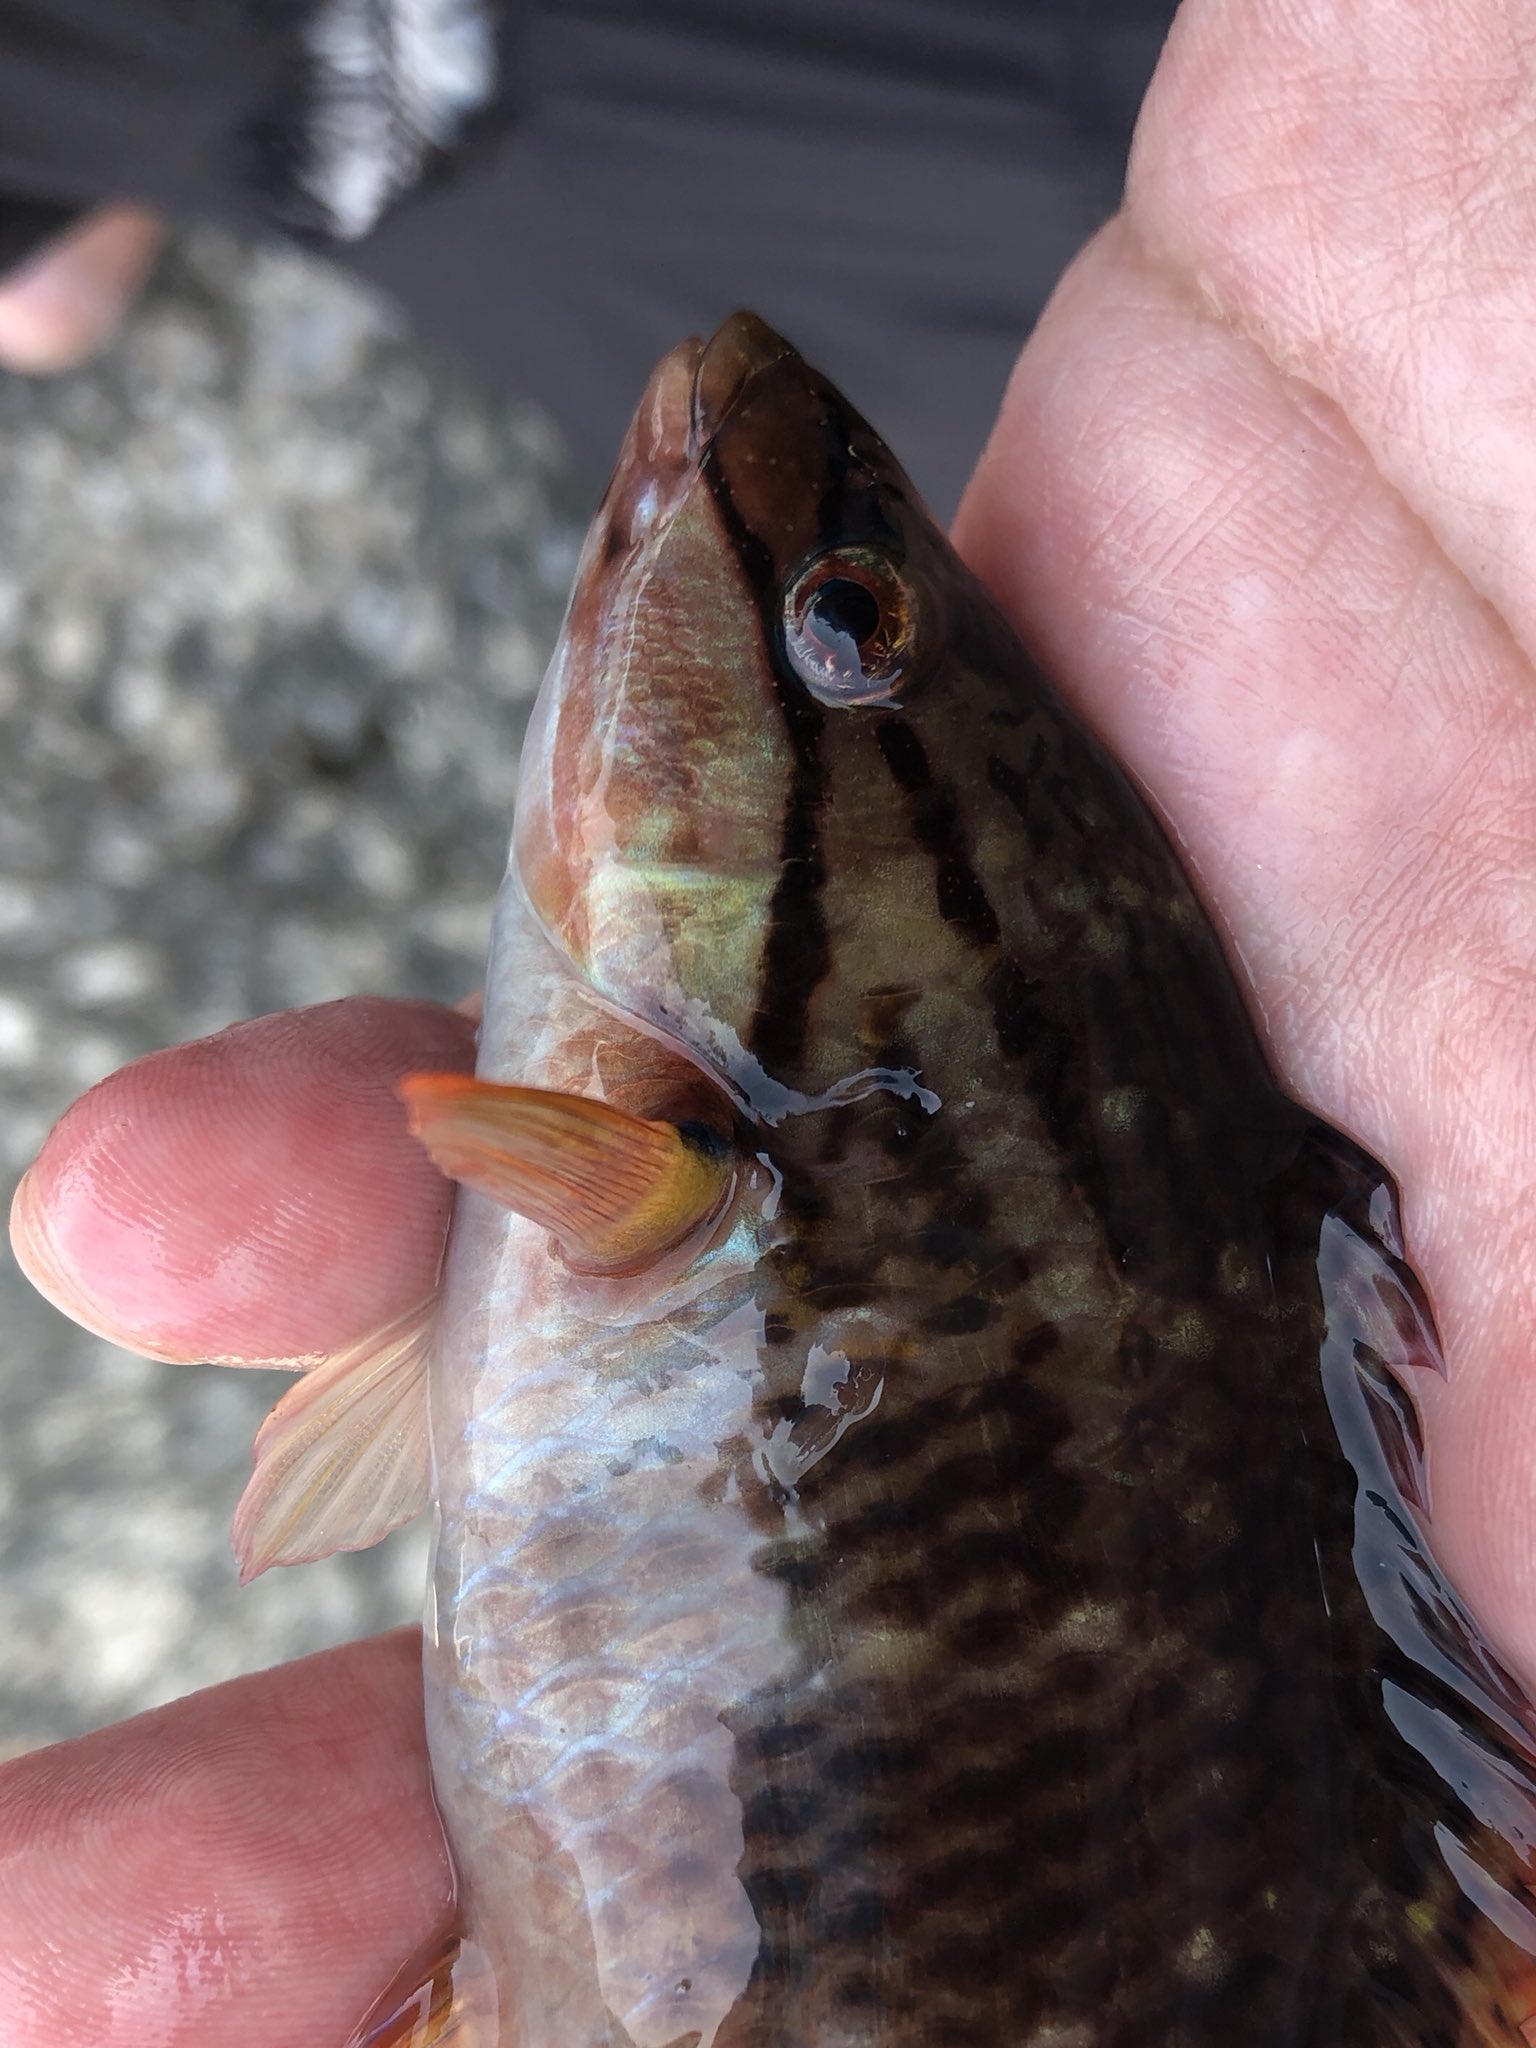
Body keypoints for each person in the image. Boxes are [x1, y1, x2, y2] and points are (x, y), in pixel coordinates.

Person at [8, 0, 1536, 2039]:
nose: (727, 439)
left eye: (843, 626)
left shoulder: (679, 1133)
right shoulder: (702, 1116)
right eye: (856, 621)